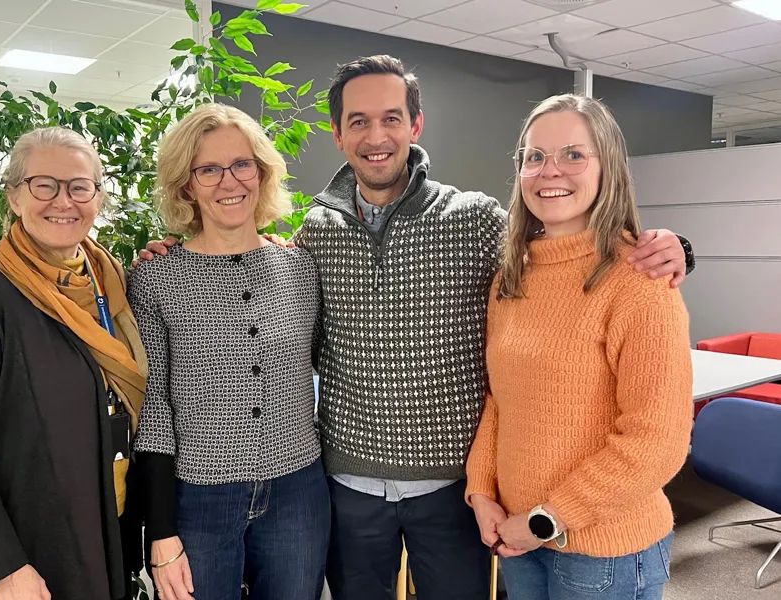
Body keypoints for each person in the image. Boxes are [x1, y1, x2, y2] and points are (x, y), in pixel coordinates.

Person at [139, 55, 695, 600]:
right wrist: (168, 255)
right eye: (358, 120)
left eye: (390, 118)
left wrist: (674, 250)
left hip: (454, 486)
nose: (375, 135)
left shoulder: (474, 219)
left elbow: (557, 247)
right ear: (337, 133)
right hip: (346, 481)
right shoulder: (313, 235)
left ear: (415, 125)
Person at [466, 93, 693, 600]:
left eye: (574, 154)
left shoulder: (638, 277)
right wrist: (483, 490)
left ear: (607, 166)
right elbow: (501, 401)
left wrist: (549, 519)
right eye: (535, 156)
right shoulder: (512, 276)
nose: (551, 171)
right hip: (520, 537)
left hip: (605, 550)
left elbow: (657, 441)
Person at [0, 127, 146, 600]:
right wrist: (5, 568)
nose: (63, 201)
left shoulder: (114, 287)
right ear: (15, 196)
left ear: (98, 197)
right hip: (34, 558)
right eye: (44, 185)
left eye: (79, 186)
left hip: (107, 532)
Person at [128, 102, 329, 600]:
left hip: (297, 489)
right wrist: (161, 533)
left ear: (261, 173)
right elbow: (153, 412)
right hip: (198, 496)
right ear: (186, 185)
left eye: (241, 165)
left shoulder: (300, 268)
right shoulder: (156, 277)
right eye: (208, 170)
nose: (229, 182)